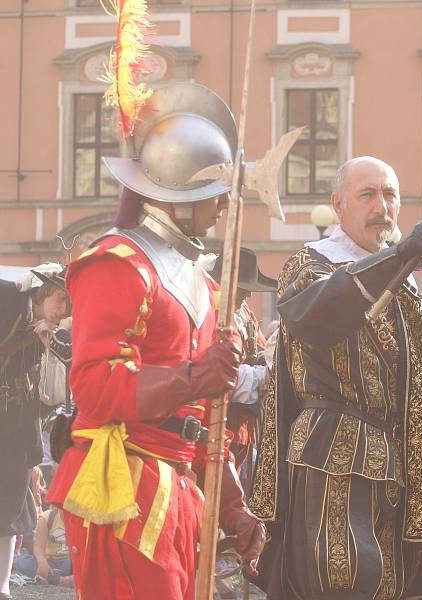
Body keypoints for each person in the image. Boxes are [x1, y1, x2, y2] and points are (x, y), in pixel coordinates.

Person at [45, 82, 266, 600]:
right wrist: (196, 375)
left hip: (183, 485)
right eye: (215, 194)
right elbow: (97, 387)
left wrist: (233, 507)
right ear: (178, 191)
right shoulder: (118, 263)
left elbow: (202, 419)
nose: (223, 208)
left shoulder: (204, 284)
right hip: (124, 481)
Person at [248, 156, 422, 599]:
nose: (382, 206)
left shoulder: (404, 282)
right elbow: (315, 315)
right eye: (368, 195)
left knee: (389, 587)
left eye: (390, 195)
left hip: (393, 458)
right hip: (331, 450)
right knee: (342, 584)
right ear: (338, 205)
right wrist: (400, 254)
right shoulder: (311, 264)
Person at [0, 264, 70, 600]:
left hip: (17, 429)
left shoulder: (52, 335)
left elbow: (53, 396)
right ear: (41, 295)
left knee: (11, 508)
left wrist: (49, 346)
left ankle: (2, 587)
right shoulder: (10, 314)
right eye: (59, 300)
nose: (63, 311)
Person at [210, 247, 276, 470]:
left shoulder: (246, 314)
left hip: (243, 429)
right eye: (243, 288)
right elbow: (220, 373)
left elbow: (263, 353)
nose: (248, 295)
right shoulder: (210, 313)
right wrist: (261, 375)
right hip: (216, 427)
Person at [13, 506, 72, 587]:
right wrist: (42, 562)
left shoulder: (81, 519)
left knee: (74, 564)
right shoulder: (47, 517)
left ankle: (54, 578)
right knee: (21, 561)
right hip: (49, 562)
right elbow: (38, 547)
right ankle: (63, 579)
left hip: (69, 561)